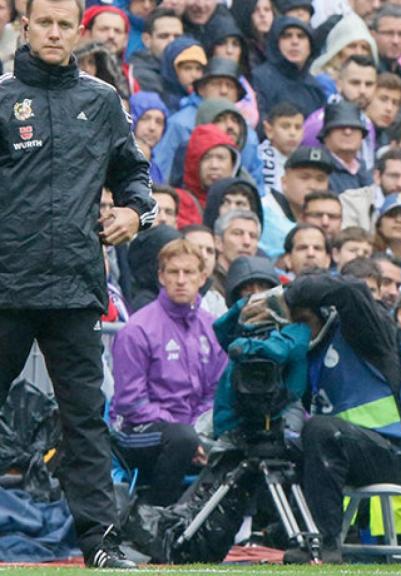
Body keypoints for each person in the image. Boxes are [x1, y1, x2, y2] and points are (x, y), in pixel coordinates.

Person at [0, 0, 157, 567]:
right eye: (44, 22)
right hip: (5, 288)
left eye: (65, 24)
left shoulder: (101, 99)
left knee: (86, 422)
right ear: (25, 27)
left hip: (73, 286)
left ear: (78, 31)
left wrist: (135, 215)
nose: (54, 32)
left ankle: (101, 547)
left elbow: (135, 174)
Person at [285, 273, 401, 564]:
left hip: (395, 453)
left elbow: (351, 289)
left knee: (319, 430)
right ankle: (300, 538)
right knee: (279, 442)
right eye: (291, 323)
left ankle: (328, 546)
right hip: (346, 450)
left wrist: (287, 293)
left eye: (304, 322)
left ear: (324, 315)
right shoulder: (305, 356)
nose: (298, 332)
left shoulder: (367, 332)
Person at [110, 239, 227, 506]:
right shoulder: (138, 329)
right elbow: (131, 403)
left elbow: (215, 393)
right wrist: (187, 431)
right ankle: (155, 512)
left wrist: (200, 430)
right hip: (136, 432)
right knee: (182, 439)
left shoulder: (213, 328)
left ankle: (226, 525)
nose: (181, 280)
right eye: (173, 272)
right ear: (161, 277)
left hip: (194, 430)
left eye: (189, 273)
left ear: (202, 277)